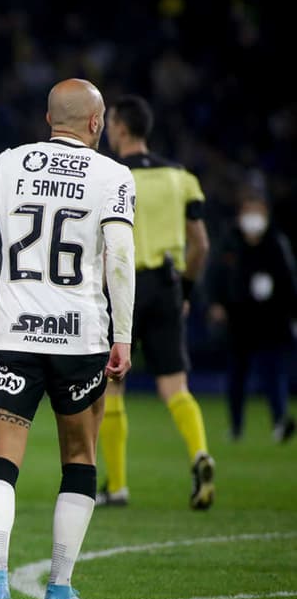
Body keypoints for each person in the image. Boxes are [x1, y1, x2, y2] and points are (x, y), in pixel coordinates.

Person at [0, 78, 136, 599]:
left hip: (13, 335)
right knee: (79, 459)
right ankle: (58, 589)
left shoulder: (9, 163)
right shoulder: (113, 175)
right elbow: (119, 258)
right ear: (96, 124)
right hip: (81, 338)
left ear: (49, 118)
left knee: (1, 460)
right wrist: (122, 335)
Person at [98, 94, 215, 510]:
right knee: (175, 387)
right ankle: (200, 453)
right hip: (167, 284)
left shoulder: (109, 175)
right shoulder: (180, 177)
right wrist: (184, 290)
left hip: (122, 286)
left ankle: (118, 485)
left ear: (123, 128)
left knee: (112, 387)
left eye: (111, 123)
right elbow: (200, 244)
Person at [205, 184, 297, 443]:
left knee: (273, 373)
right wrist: (215, 303)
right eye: (248, 211)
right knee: (237, 375)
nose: (252, 218)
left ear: (266, 213)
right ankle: (235, 426)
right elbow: (214, 276)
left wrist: (290, 311)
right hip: (238, 319)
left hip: (271, 319)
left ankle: (280, 422)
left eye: (256, 211)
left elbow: (289, 281)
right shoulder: (230, 241)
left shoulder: (276, 243)